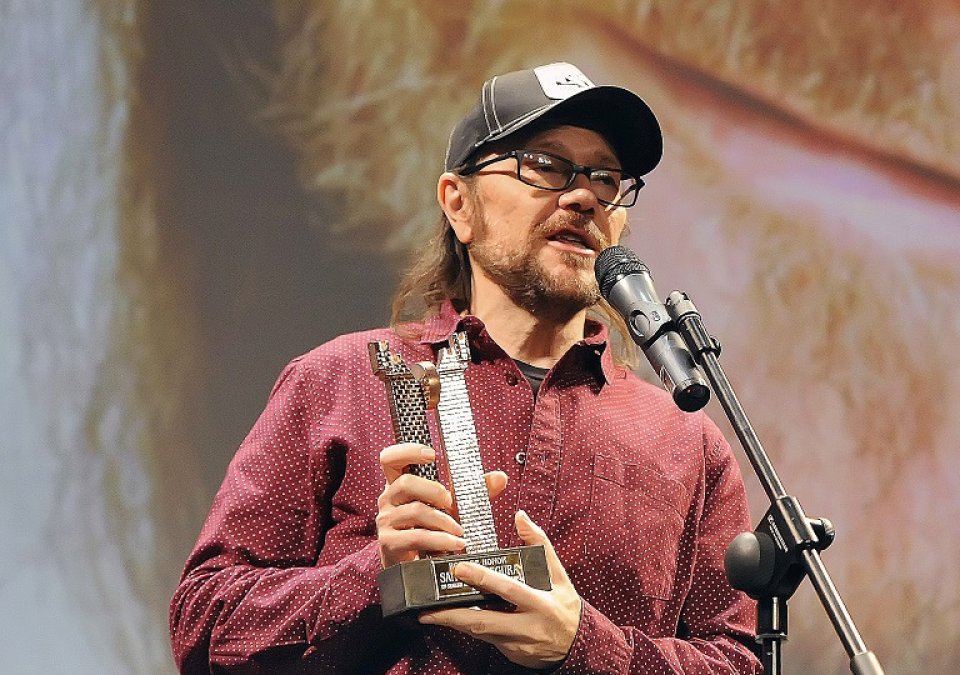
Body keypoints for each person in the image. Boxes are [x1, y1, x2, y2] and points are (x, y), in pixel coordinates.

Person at [169, 62, 761, 674]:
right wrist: (377, 577)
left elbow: (739, 662)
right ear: (459, 204)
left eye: (606, 178)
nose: (584, 195)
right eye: (545, 165)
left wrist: (582, 646)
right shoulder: (341, 382)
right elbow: (203, 624)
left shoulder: (688, 444)